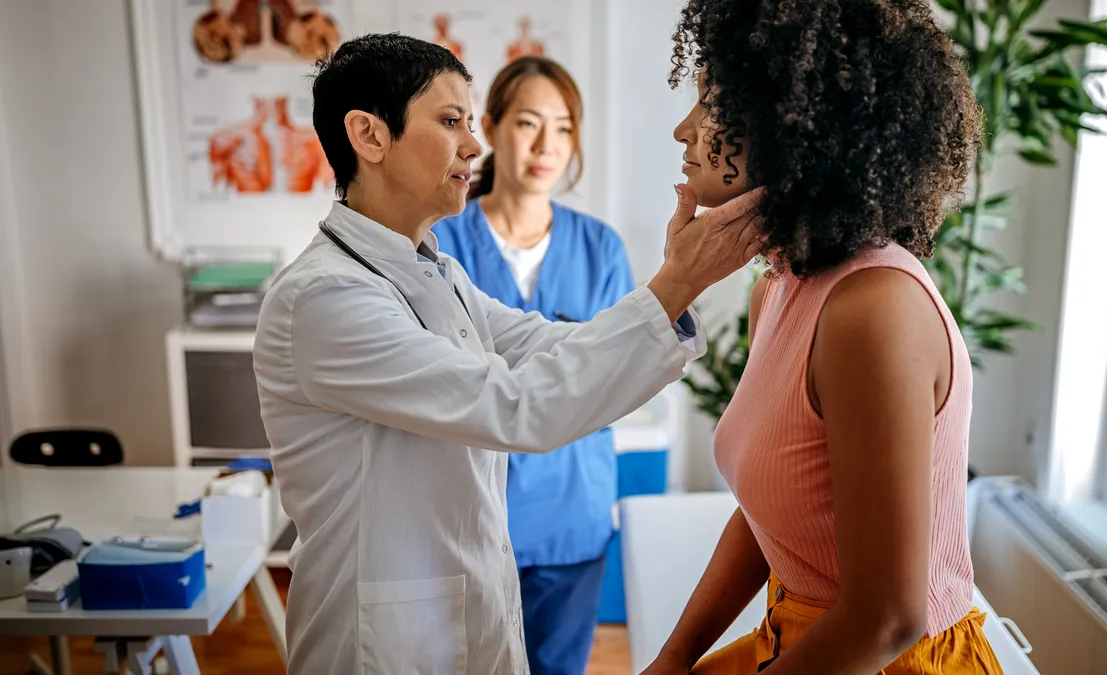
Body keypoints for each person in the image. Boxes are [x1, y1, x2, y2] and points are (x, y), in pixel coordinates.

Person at [252, 33, 763, 675]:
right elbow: (514, 407)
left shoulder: (436, 273)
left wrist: (675, 289)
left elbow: (548, 344)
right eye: (450, 122)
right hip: (383, 642)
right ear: (369, 135)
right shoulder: (325, 299)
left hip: (468, 613)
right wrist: (677, 283)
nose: (474, 145)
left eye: (470, 122)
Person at [641, 1, 1002, 674]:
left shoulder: (874, 310)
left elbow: (889, 619)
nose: (683, 131)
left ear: (793, 125)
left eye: (712, 106)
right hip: (802, 635)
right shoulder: (778, 287)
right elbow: (775, 510)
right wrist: (673, 656)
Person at [432, 56, 630, 675]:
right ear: (489, 126)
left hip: (573, 513)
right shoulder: (444, 241)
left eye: (564, 127)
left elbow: (619, 377)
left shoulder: (601, 248)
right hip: (466, 519)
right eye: (527, 123)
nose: (548, 146)